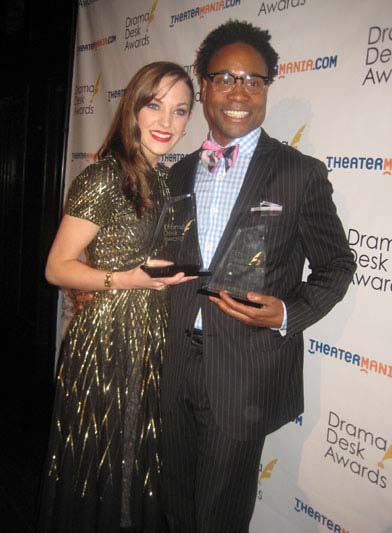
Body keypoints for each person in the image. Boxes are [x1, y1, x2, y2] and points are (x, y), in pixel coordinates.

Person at [161, 20, 356, 532]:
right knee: (173, 504)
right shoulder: (176, 174)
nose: (239, 91)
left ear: (268, 86)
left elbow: (337, 265)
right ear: (202, 85)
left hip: (244, 375)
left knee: (221, 515)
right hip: (170, 367)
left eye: (254, 79)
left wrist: (290, 311)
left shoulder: (299, 173)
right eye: (224, 77)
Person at [38, 62, 195, 533]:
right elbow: (56, 267)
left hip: (151, 334)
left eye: (181, 110)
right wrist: (126, 280)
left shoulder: (166, 181)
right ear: (133, 108)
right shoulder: (106, 177)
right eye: (155, 105)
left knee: (137, 460)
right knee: (107, 455)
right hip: (107, 341)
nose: (167, 122)